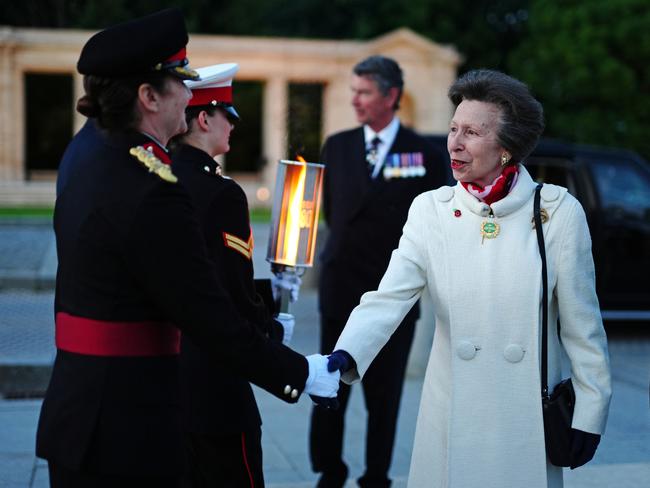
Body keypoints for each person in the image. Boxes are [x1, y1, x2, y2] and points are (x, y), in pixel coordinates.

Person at [36, 9, 339, 488]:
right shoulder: (149, 183)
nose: (189, 94)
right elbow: (206, 311)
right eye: (181, 82)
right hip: (127, 430)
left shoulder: (91, 151)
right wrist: (301, 373)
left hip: (82, 413)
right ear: (149, 96)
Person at [326, 69, 612, 487]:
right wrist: (345, 354)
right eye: (453, 128)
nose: (454, 144)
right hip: (450, 419)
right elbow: (389, 297)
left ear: (506, 149)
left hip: (524, 421)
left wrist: (591, 410)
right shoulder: (431, 209)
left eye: (472, 133)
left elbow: (582, 327)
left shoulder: (557, 212)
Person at [310, 55, 448, 488]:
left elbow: (434, 221)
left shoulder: (424, 152)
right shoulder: (336, 145)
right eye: (354, 91)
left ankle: (376, 477)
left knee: (384, 399)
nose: (355, 100)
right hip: (341, 288)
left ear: (391, 96)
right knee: (329, 391)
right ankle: (329, 473)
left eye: (364, 92)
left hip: (394, 296)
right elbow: (332, 212)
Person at [171, 63, 296, 487]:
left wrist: (270, 293)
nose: (233, 126)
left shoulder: (158, 176)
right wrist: (271, 326)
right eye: (228, 115)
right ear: (204, 118)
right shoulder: (222, 194)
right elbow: (231, 293)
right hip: (213, 385)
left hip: (163, 382)